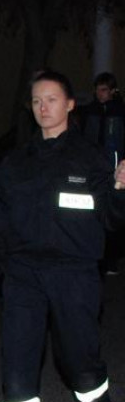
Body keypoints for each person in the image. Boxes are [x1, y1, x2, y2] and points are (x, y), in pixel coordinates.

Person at [0, 70, 125, 402]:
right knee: (18, 364)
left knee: (78, 362)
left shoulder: (92, 158)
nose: (44, 108)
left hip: (74, 274)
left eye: (53, 100)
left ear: (70, 105)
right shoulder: (16, 164)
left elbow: (112, 220)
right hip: (23, 275)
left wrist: (120, 190)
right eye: (38, 101)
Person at [77, 72, 125, 273]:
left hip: (115, 170)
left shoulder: (120, 112)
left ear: (112, 91)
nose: (99, 94)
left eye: (104, 89)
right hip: (94, 169)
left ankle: (111, 258)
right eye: (97, 89)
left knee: (113, 213)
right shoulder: (90, 112)